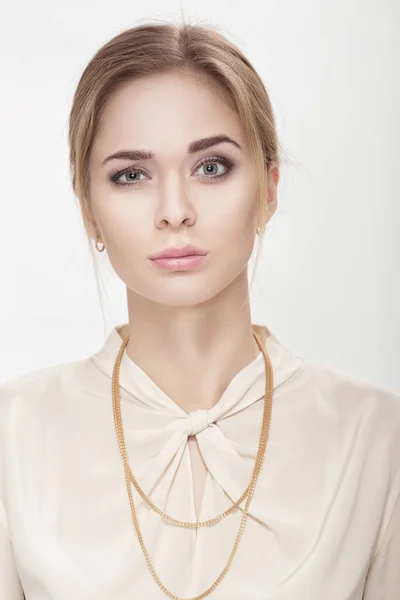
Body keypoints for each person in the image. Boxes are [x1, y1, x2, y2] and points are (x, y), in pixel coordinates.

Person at [1, 19, 399, 600]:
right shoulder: (13, 434)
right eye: (131, 175)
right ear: (89, 209)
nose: (175, 210)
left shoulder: (377, 435)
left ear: (269, 186)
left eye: (211, 167)